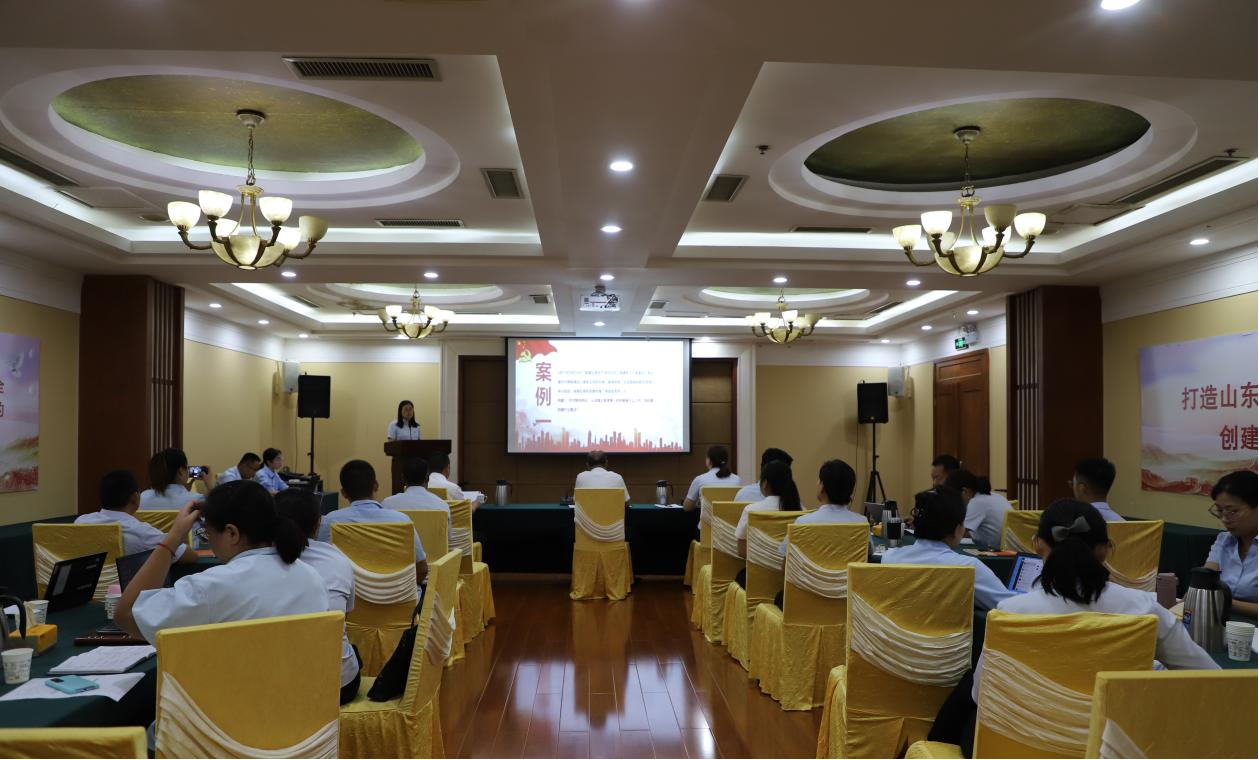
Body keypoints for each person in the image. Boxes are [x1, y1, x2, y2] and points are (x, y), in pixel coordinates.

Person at [928, 500, 1217, 757]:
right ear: (1105, 549)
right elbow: (1207, 676)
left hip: (1019, 745)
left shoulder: (1012, 612)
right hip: (1112, 748)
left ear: (1037, 544)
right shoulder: (1144, 609)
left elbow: (981, 693)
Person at [114, 481, 328, 646]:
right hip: (302, 692)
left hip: (231, 692)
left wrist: (173, 538)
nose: (210, 542)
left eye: (207, 533)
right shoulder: (312, 577)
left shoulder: (210, 586)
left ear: (231, 533)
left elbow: (126, 615)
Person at [275, 489, 361, 705]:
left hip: (276, 688)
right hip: (338, 685)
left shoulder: (256, 563)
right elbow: (343, 618)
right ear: (318, 524)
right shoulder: (337, 559)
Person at [883, 486, 1015, 610]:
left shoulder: (889, 558)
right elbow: (1009, 606)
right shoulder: (968, 568)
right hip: (948, 628)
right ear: (957, 528)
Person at [319, 459, 428, 586]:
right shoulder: (402, 521)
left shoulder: (331, 521)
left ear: (344, 493)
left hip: (348, 595)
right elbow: (422, 569)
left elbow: (322, 564)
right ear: (376, 485)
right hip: (400, 596)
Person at [75, 469, 196, 564]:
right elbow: (189, 556)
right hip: (129, 588)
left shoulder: (81, 522)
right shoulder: (141, 532)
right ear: (134, 497)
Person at [1204, 470, 1257, 618]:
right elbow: (1204, 581)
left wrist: (1225, 601)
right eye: (1220, 511)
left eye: (1233, 511)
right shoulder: (1224, 540)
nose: (1224, 519)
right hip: (1220, 621)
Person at [734, 460, 802, 559]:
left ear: (765, 483)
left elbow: (741, 551)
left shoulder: (751, 510)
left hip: (757, 567)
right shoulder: (801, 511)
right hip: (788, 568)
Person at [946, 469, 1012, 548]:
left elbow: (959, 533)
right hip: (1007, 548)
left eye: (955, 497)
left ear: (964, 491)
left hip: (995, 550)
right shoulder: (994, 496)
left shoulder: (976, 502)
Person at [382, 457, 451, 522]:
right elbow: (446, 531)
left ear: (402, 478)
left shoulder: (387, 504)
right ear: (427, 478)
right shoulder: (442, 506)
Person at [139, 448, 209, 510]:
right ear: (180, 471)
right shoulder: (196, 500)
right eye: (187, 468)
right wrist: (209, 485)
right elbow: (214, 512)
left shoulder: (143, 498)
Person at [682, 445, 741, 511]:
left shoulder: (700, 479)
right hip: (730, 518)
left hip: (708, 518)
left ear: (709, 460)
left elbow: (687, 507)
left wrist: (700, 503)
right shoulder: (737, 479)